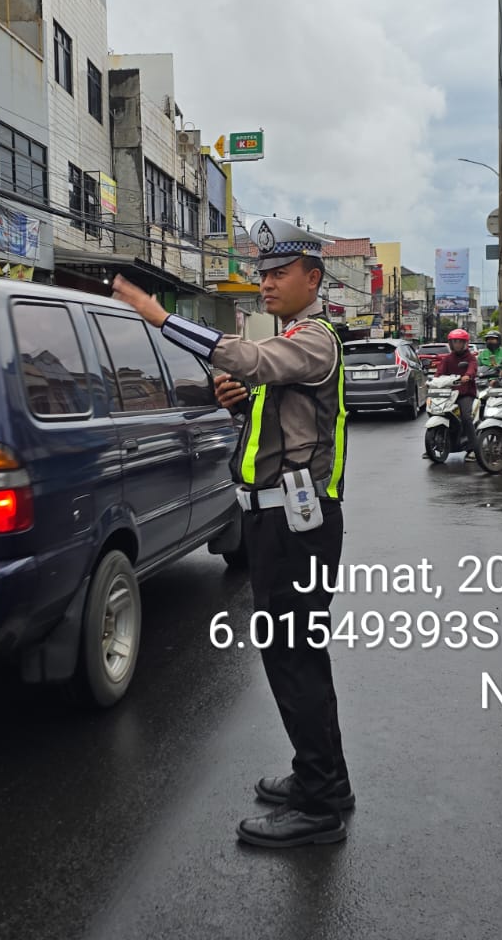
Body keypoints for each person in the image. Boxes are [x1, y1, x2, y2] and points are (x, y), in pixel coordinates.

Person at [111, 216, 353, 849]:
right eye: (263, 274)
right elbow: (282, 422)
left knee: (293, 659)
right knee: (298, 657)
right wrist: (243, 406)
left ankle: (320, 807)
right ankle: (323, 780)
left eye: (279, 273)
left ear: (312, 279)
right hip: (280, 521)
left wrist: (159, 316)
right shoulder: (295, 340)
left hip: (298, 525)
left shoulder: (315, 339)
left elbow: (246, 356)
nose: (266, 283)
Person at [432, 328, 481, 458]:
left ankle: (473, 448)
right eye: (455, 342)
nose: (457, 344)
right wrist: (433, 381)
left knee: (466, 418)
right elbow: (439, 373)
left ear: (465, 343)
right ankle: (433, 444)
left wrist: (467, 376)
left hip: (465, 393)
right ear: (451, 344)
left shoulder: (470, 358)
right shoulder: (448, 359)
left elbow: (472, 369)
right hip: (448, 393)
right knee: (435, 411)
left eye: (460, 342)